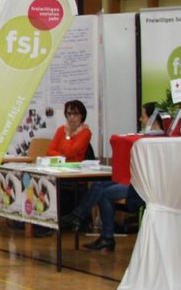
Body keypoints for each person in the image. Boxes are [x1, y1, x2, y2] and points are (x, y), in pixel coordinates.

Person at [59, 103, 159, 249]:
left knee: (104, 194)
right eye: (69, 114)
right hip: (131, 178)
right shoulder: (61, 130)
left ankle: (93, 227)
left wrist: (66, 142)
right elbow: (54, 150)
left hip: (139, 184)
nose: (140, 119)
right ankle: (81, 219)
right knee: (98, 185)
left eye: (143, 116)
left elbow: (68, 151)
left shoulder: (154, 141)